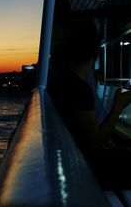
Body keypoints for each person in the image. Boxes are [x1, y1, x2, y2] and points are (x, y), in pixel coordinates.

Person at [48, 21, 131, 189]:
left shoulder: (59, 81)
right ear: (94, 56)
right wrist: (119, 105)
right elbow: (96, 140)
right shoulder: (78, 88)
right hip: (82, 169)